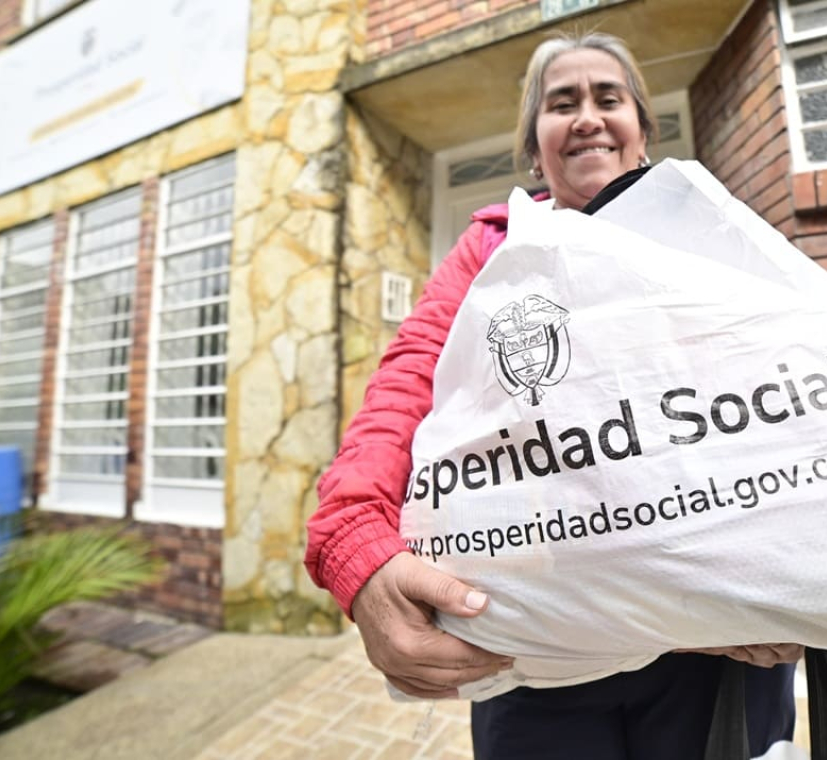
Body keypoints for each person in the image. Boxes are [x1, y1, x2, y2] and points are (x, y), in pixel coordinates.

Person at [305, 31, 798, 759]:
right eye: (561, 104)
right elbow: (408, 379)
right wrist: (353, 539)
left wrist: (802, 563)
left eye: (610, 98)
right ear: (535, 148)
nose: (589, 116)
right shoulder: (488, 250)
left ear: (641, 132)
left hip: (713, 646)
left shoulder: (707, 229)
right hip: (535, 651)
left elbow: (786, 393)